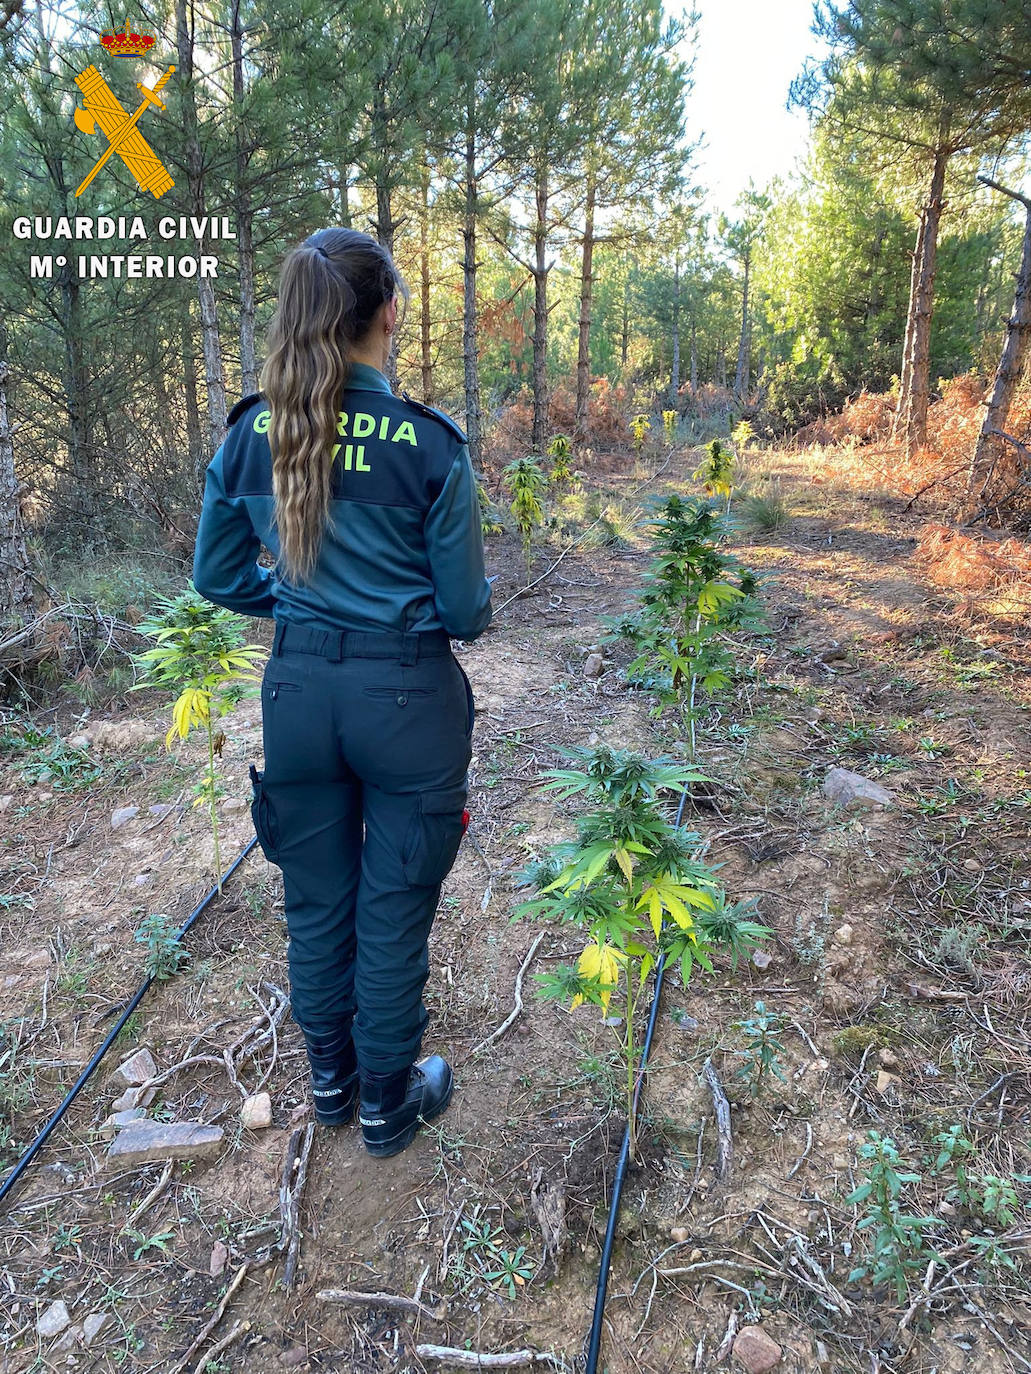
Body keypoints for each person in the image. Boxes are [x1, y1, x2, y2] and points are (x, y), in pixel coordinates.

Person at [192, 226, 492, 1157]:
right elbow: (467, 611)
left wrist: (289, 601)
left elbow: (217, 576)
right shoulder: (427, 446)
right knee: (393, 899)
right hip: (404, 695)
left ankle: (330, 1085)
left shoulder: (254, 435)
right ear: (388, 312)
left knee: (317, 901)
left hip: (297, 692)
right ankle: (386, 1106)